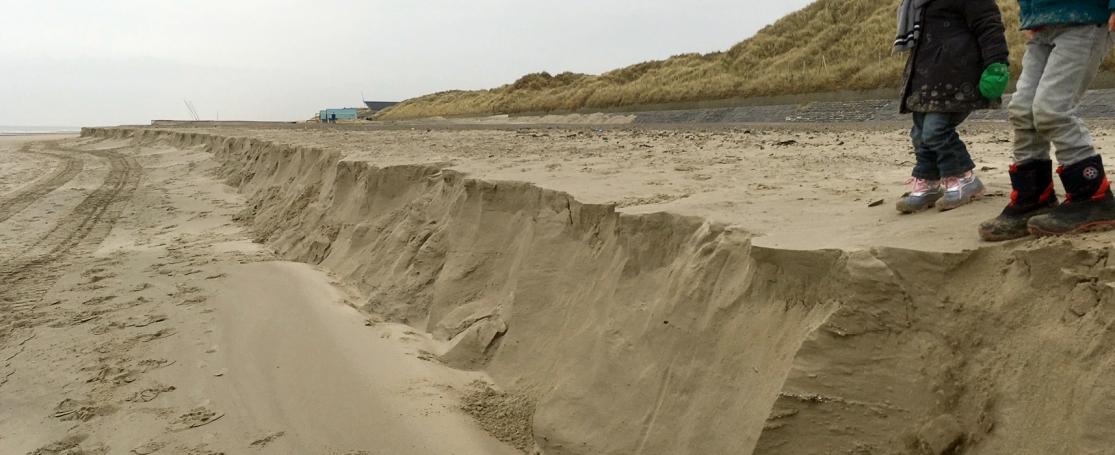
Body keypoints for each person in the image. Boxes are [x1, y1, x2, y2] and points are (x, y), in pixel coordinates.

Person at [980, 0, 1115, 241]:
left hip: (1083, 19)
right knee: (1022, 110)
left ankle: (1093, 196)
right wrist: (1032, 13)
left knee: (1052, 109)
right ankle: (1033, 197)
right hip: (1044, 23)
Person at [894, 0, 1011, 214]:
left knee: (935, 130)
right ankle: (929, 181)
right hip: (925, 76)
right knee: (919, 133)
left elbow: (988, 24)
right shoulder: (918, 3)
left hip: (956, 74)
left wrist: (996, 62)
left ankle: (964, 178)